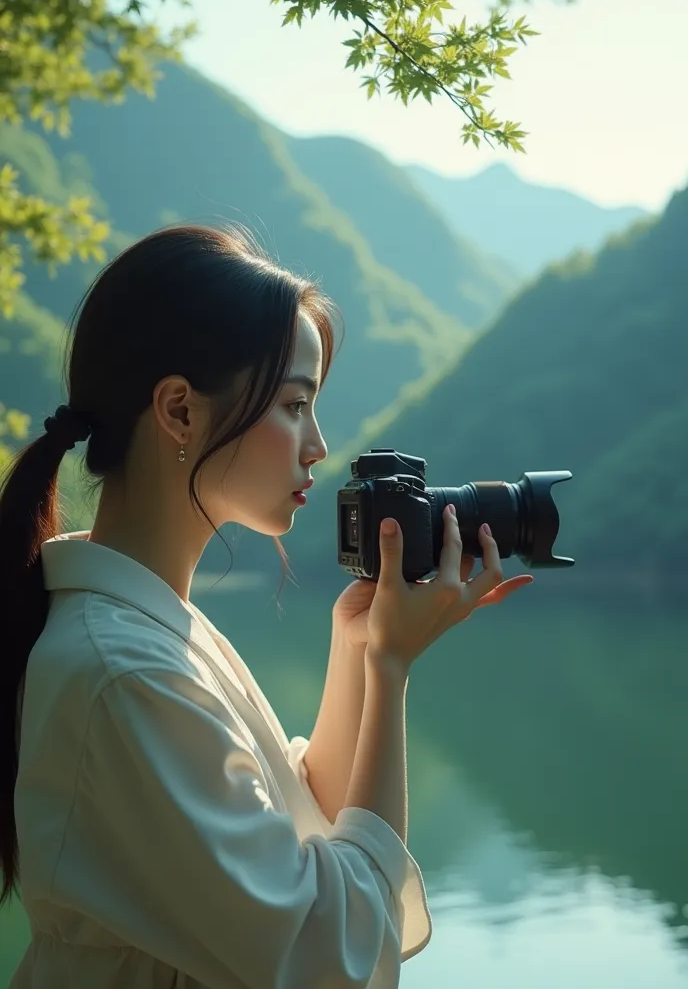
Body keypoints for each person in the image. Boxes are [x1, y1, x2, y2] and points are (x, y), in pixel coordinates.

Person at [0, 223, 533, 989]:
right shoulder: (122, 671)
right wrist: (389, 670)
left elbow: (297, 817)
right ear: (179, 411)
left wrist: (356, 649)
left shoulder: (144, 629)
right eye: (294, 405)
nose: (318, 444)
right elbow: (331, 959)